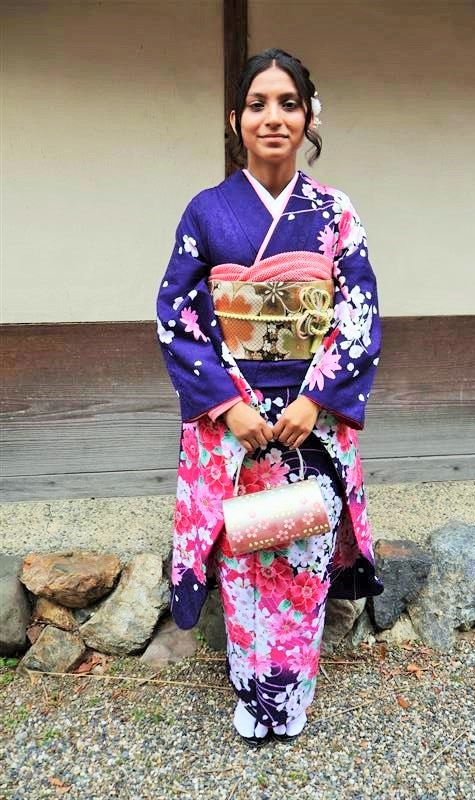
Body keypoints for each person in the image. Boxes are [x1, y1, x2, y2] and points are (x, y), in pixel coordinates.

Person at [156, 47, 384, 747]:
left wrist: (316, 399)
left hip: (305, 426)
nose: (273, 117)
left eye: (288, 103)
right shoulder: (206, 212)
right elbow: (176, 316)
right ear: (236, 120)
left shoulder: (334, 211)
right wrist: (229, 405)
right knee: (243, 558)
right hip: (238, 426)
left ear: (308, 117)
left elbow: (358, 313)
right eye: (258, 104)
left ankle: (285, 695)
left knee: (301, 557)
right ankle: (252, 689)